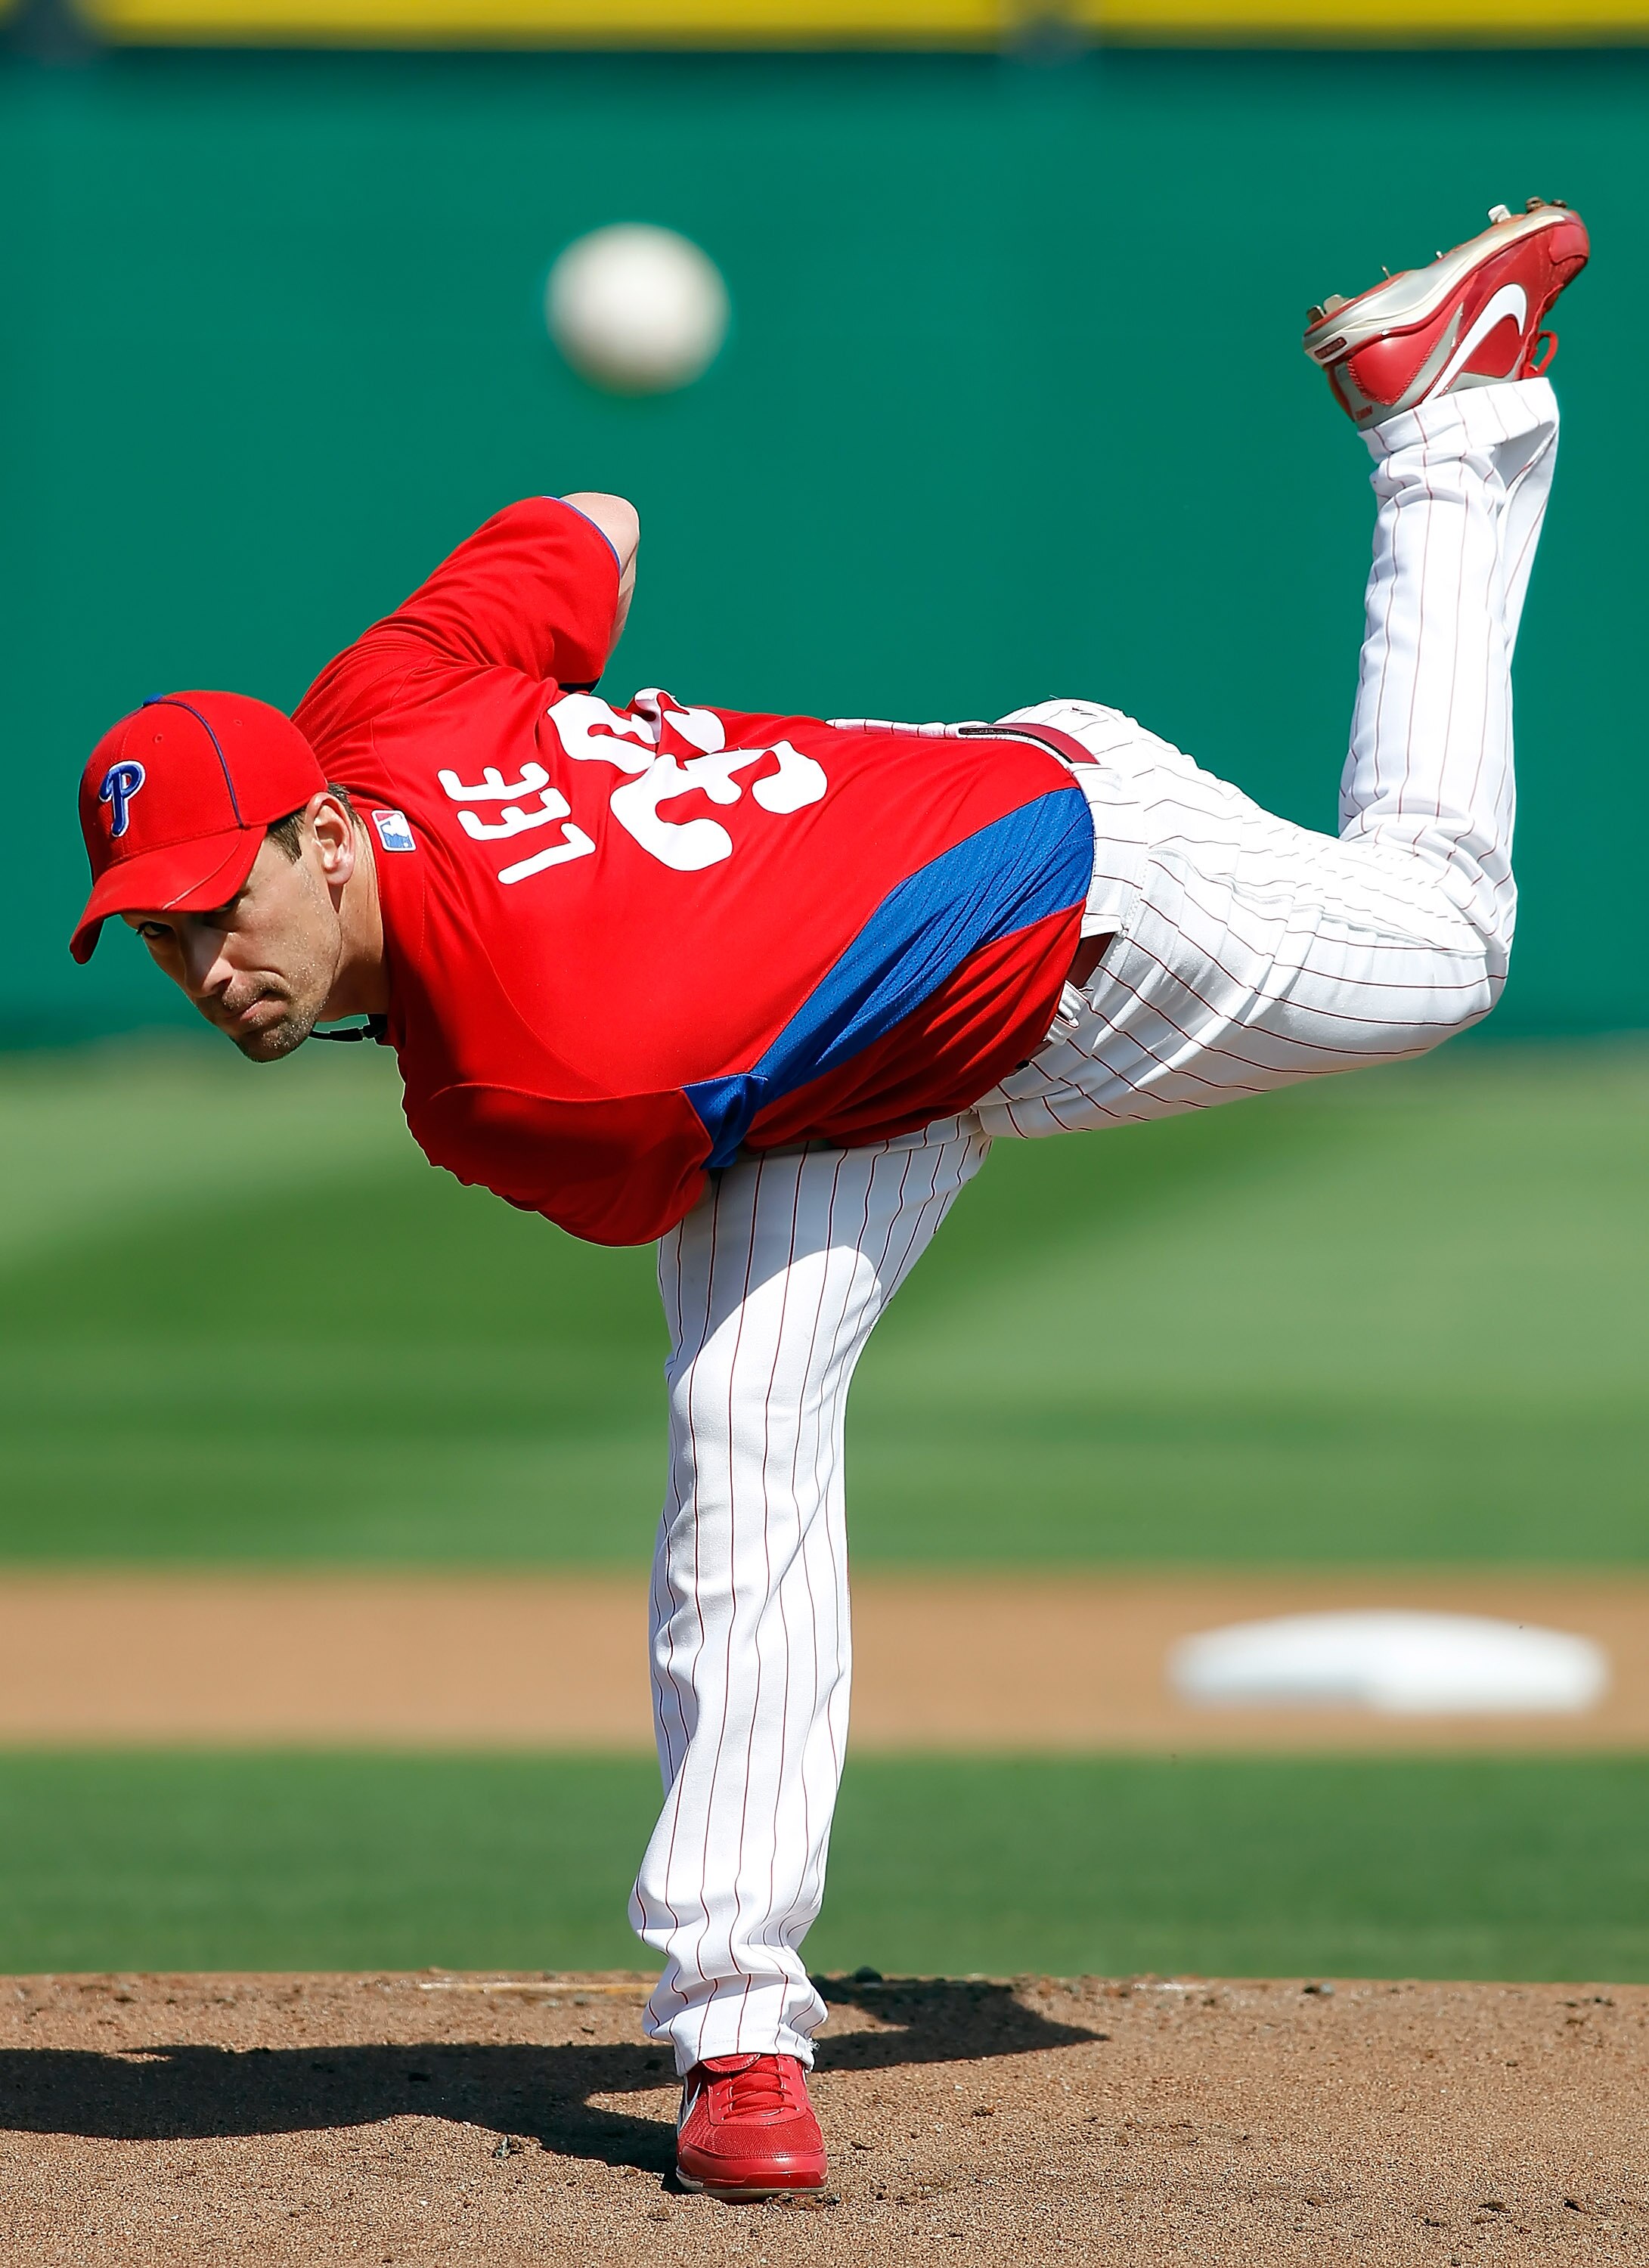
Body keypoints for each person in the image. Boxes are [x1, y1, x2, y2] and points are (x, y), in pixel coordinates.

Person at [71, 197, 1587, 2201]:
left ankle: (1449, 420)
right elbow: (587, 523)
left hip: (1069, 901)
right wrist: (551, 749)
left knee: (1456, 942)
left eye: (217, 906)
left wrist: (599, 861)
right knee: (740, 1428)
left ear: (322, 834)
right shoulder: (391, 700)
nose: (206, 967)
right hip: (827, 1049)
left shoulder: (520, 1081)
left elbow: (647, 1142)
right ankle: (733, 2030)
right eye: (159, 941)